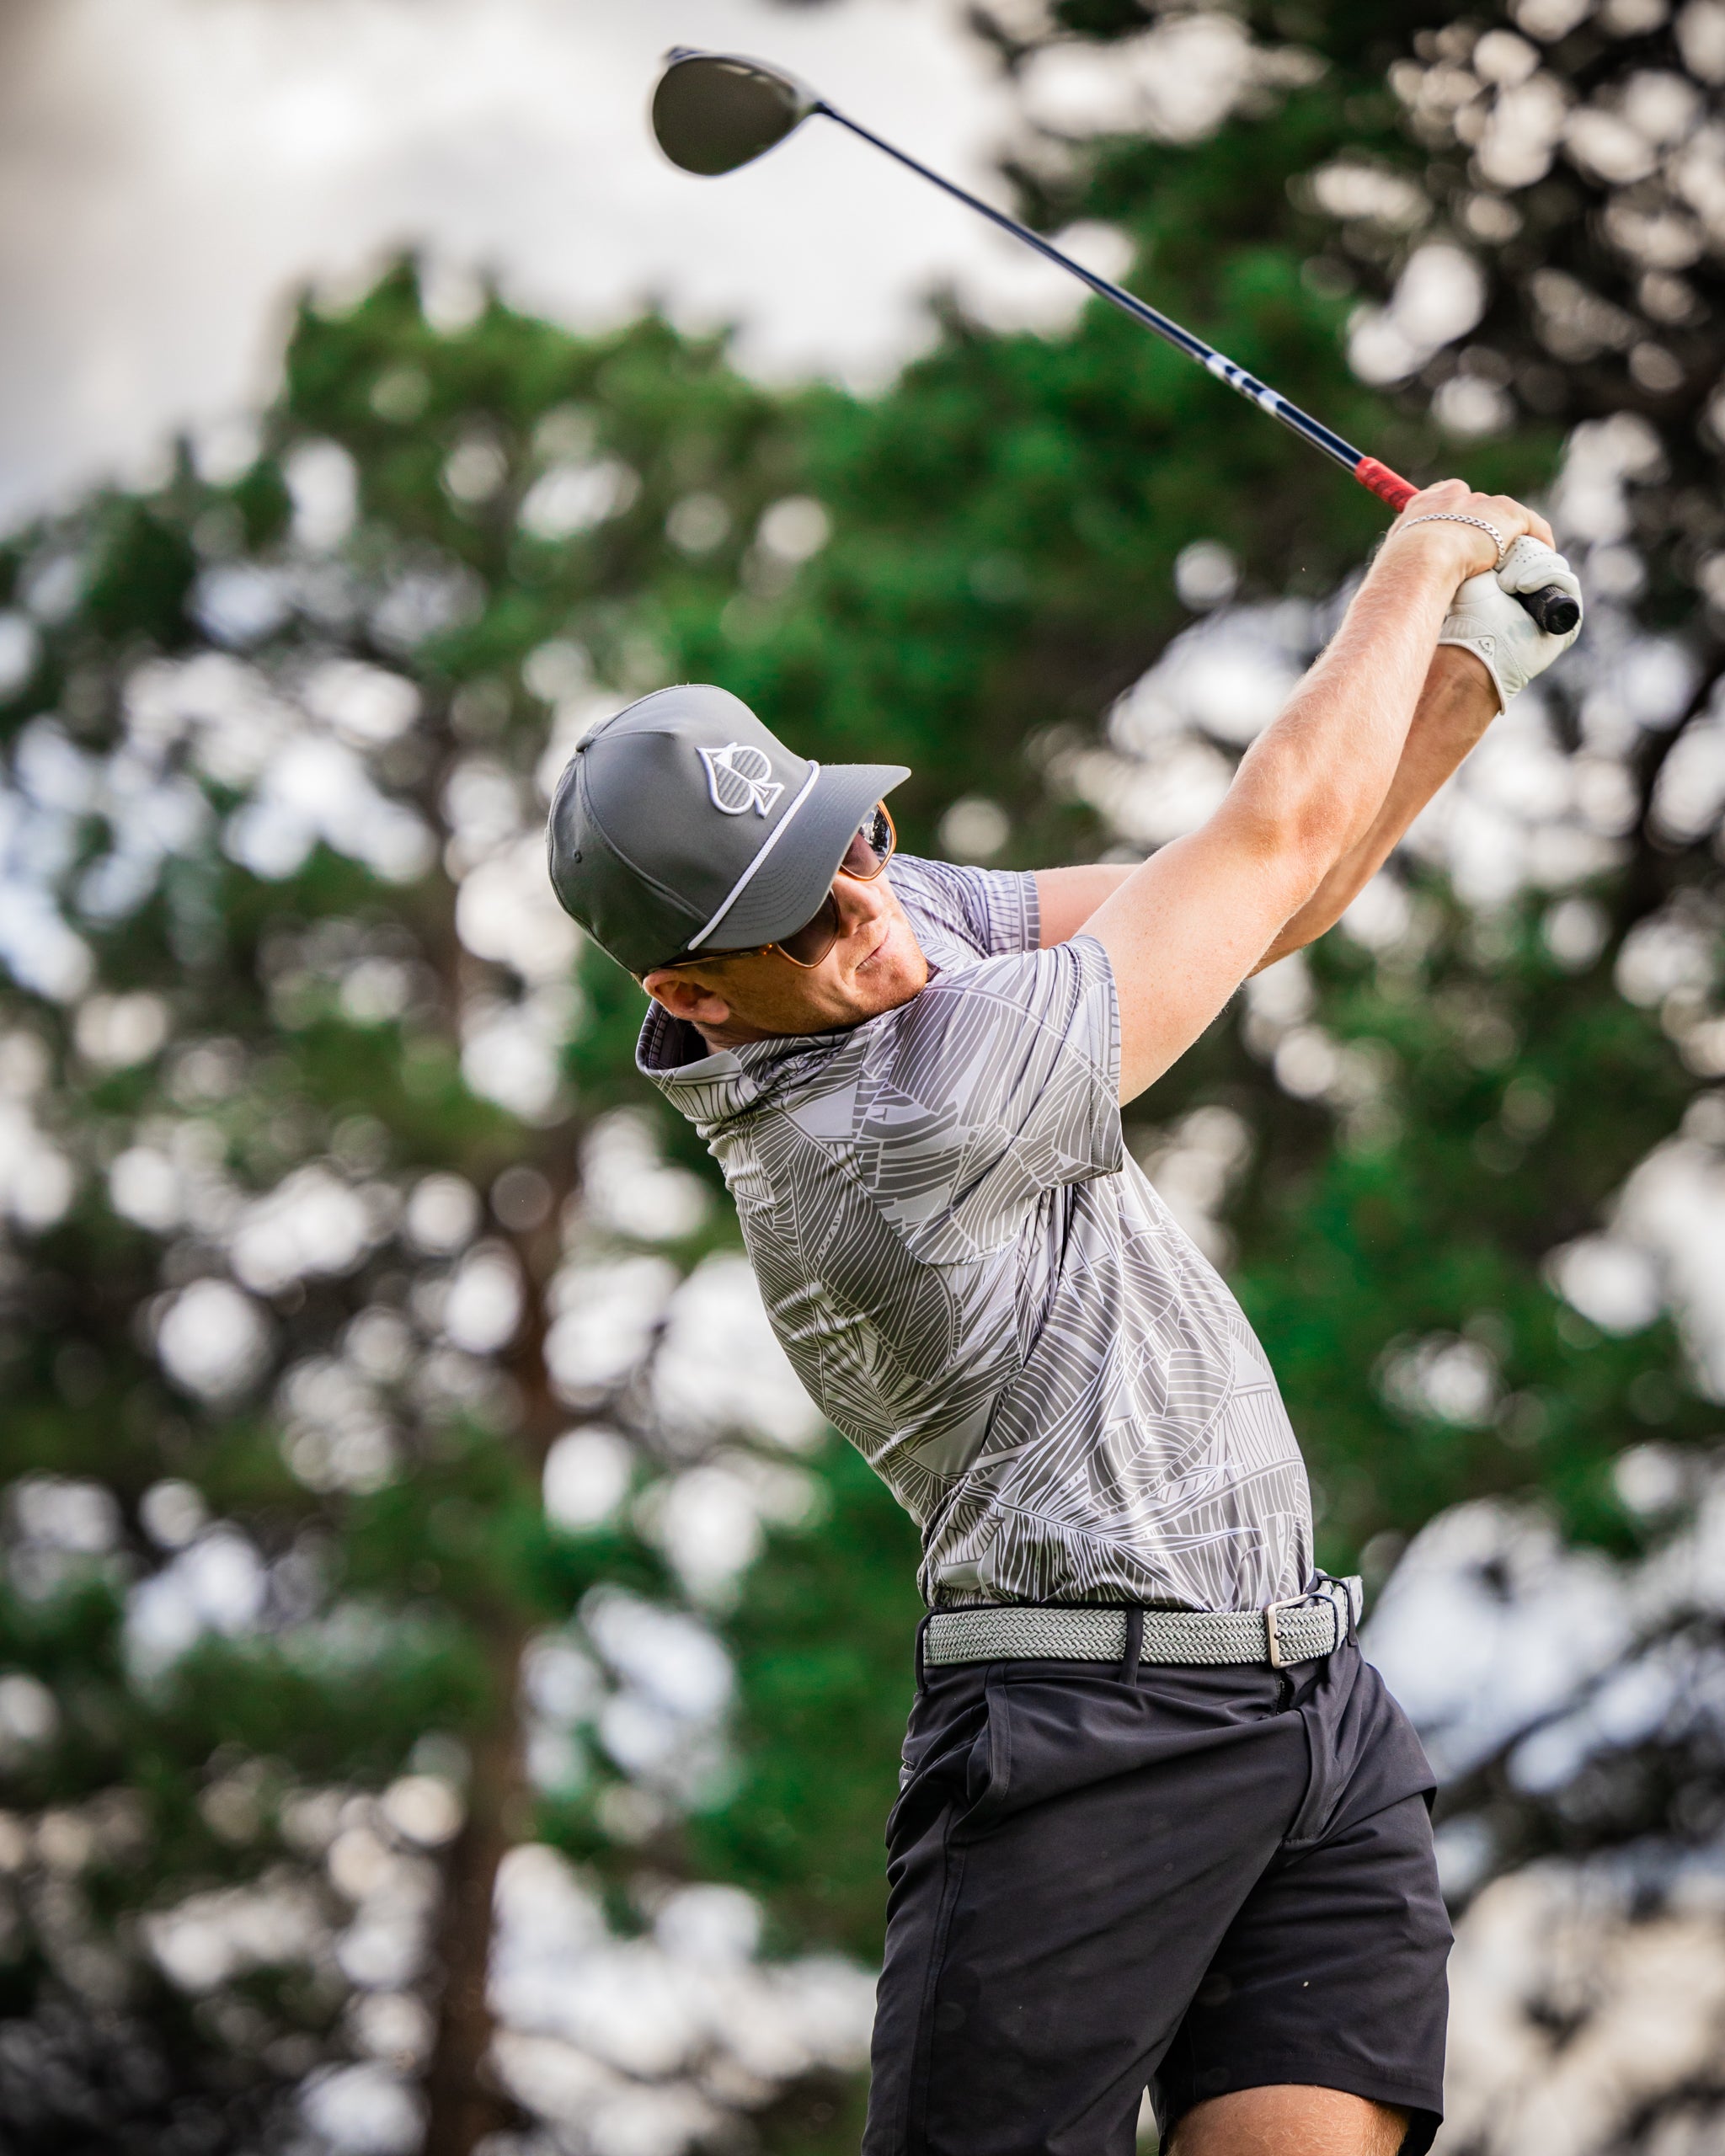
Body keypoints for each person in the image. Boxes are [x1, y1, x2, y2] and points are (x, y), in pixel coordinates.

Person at [545, 479, 1582, 2156]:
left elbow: (1270, 903)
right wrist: (1419, 563)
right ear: (688, 990)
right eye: (805, 918)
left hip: (1304, 1693)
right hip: (1075, 1748)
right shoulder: (886, 1124)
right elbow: (1251, 845)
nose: (872, 913)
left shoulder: (878, 919)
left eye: (851, 843)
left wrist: (1470, 663)